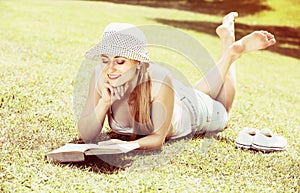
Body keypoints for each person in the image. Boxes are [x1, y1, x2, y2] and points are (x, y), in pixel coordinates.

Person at [78, 12, 276, 150]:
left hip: (196, 112)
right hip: (178, 99)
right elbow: (86, 134)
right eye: (106, 60)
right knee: (198, 92)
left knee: (224, 110)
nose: (110, 68)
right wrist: (104, 102)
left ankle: (230, 50)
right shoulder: (101, 76)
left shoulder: (159, 82)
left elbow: (157, 138)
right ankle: (229, 46)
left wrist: (130, 145)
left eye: (120, 61)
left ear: (138, 64)